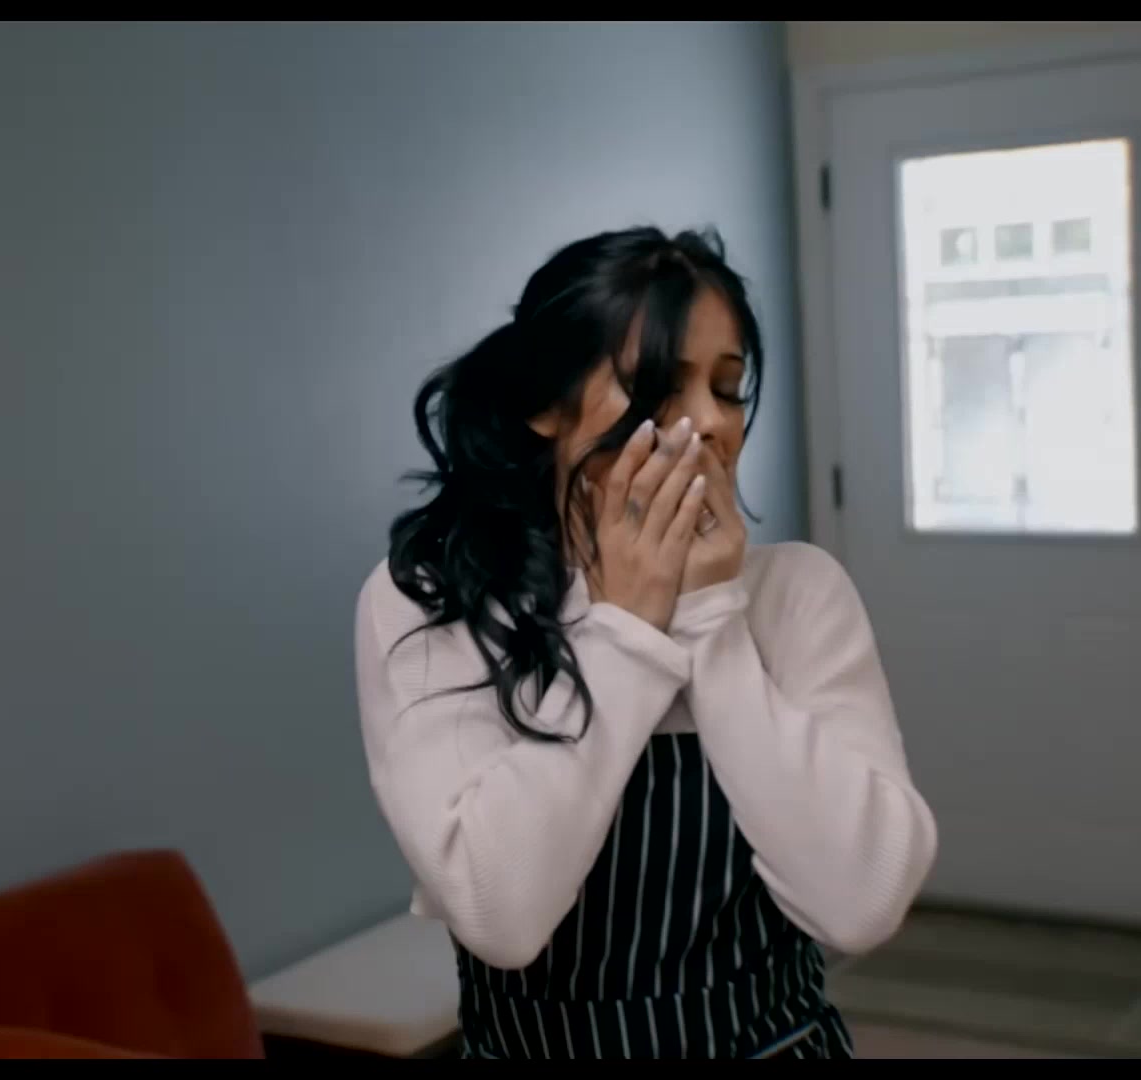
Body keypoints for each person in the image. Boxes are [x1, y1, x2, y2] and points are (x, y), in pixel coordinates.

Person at [353, 226, 938, 1059]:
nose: (712, 422)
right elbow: (499, 913)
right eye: (660, 384)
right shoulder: (433, 603)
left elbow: (861, 904)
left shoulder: (800, 594)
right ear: (546, 404)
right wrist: (626, 627)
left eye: (729, 388)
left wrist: (711, 619)